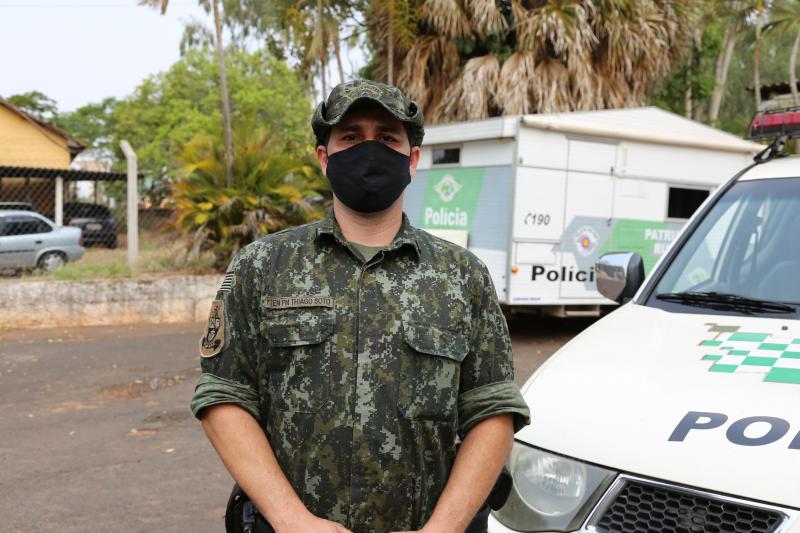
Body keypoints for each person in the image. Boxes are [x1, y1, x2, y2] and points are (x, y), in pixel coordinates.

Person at [191, 79, 530, 533]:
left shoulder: (462, 276)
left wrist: (442, 529)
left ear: (412, 159)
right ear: (323, 157)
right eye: (351, 137)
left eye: (387, 137)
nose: (369, 150)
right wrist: (293, 521)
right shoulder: (262, 265)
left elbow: (492, 411)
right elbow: (224, 396)